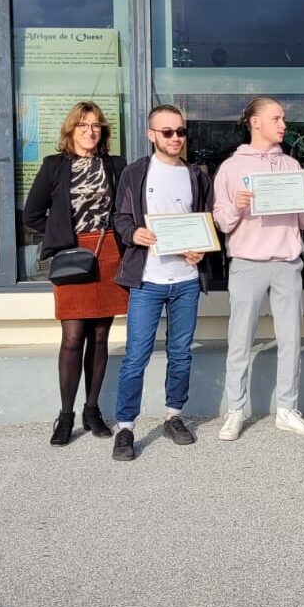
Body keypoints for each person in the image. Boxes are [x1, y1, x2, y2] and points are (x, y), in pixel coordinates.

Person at [213, 97, 304, 440]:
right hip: (247, 263)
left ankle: (287, 409)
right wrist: (236, 206)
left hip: (287, 262)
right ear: (255, 122)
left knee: (291, 339)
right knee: (240, 340)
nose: (283, 124)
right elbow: (222, 221)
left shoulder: (291, 165)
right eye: (276, 118)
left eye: (283, 118)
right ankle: (235, 410)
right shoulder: (231, 167)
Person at [111, 104, 213, 461]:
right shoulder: (136, 172)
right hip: (148, 280)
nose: (175, 138)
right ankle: (125, 427)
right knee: (136, 356)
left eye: (180, 131)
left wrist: (201, 249)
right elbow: (120, 217)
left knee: (181, 354)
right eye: (167, 132)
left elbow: (206, 221)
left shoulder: (196, 175)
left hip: (186, 281)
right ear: (151, 134)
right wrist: (133, 233)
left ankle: (173, 416)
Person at [23, 101, 128, 445]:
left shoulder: (115, 165)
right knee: (72, 338)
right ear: (71, 130)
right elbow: (32, 214)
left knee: (99, 336)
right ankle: (65, 415)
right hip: (71, 255)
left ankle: (92, 409)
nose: (90, 131)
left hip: (108, 252)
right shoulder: (54, 165)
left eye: (96, 125)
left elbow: (126, 210)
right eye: (83, 125)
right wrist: (61, 235)